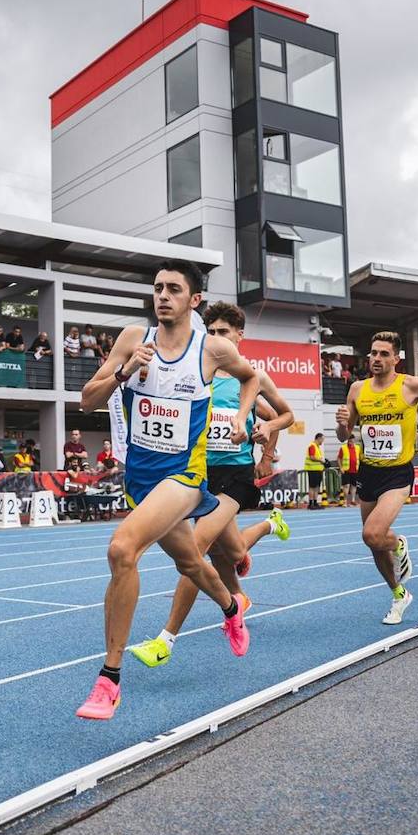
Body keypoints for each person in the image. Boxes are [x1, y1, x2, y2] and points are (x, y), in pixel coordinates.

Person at [74, 261, 259, 720]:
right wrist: (123, 373)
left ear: (193, 300)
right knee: (191, 561)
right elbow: (86, 399)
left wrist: (241, 417)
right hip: (141, 479)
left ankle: (109, 681)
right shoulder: (132, 339)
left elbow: (251, 378)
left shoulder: (211, 349)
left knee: (122, 549)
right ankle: (231, 605)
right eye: (157, 288)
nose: (162, 295)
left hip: (185, 478)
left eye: (174, 289)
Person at [128, 300, 294, 669]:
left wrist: (266, 432)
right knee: (230, 553)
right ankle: (270, 525)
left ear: (239, 336)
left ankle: (165, 640)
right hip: (201, 475)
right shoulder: (197, 371)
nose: (218, 338)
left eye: (224, 332)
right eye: (212, 332)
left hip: (235, 478)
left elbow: (284, 414)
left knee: (196, 548)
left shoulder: (252, 376)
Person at [336, 331, 418, 624]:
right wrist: (341, 425)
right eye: (373, 353)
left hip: (397, 473)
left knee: (373, 534)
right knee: (373, 543)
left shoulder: (411, 385)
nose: (376, 358)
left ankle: (398, 543)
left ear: (396, 359)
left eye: (384, 354)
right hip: (368, 471)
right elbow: (344, 434)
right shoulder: (356, 389)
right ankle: (399, 594)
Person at [302, 432, 325, 509]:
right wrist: (320, 461)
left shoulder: (317, 447)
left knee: (317, 487)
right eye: (322, 439)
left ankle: (315, 502)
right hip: (312, 470)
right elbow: (312, 457)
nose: (322, 441)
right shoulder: (312, 446)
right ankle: (311, 503)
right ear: (318, 438)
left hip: (318, 470)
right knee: (312, 487)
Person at [337, 433, 360, 507]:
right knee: (346, 486)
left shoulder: (358, 448)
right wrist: (341, 467)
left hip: (355, 470)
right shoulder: (343, 448)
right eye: (350, 441)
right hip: (346, 470)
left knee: (354, 486)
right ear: (348, 440)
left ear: (354, 440)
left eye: (352, 441)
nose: (351, 443)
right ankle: (345, 501)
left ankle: (353, 500)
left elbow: (360, 458)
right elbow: (339, 458)